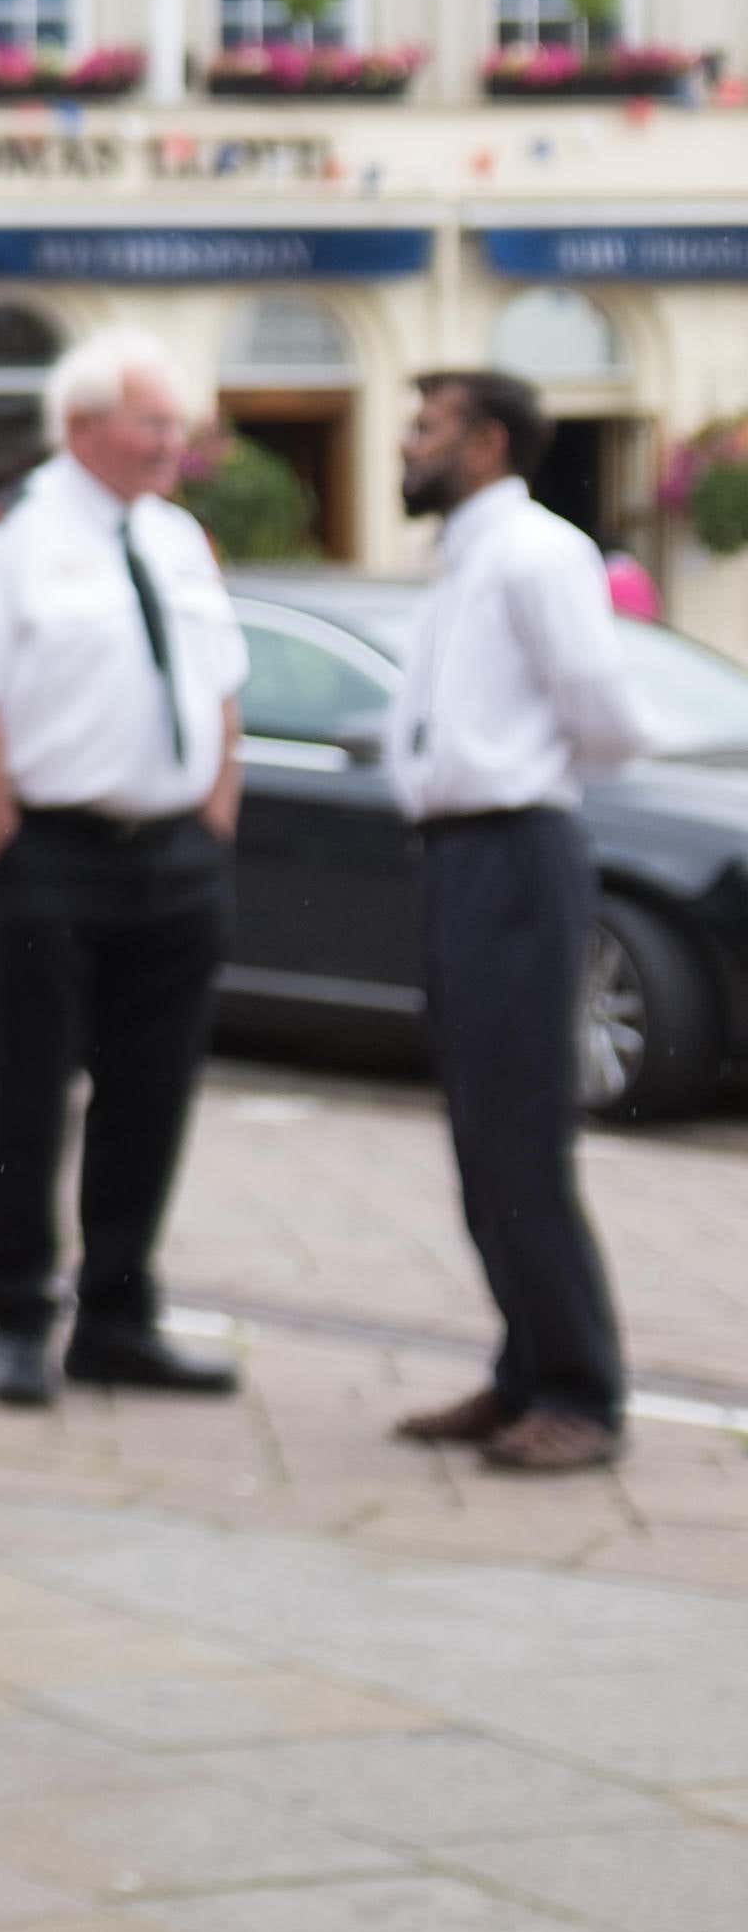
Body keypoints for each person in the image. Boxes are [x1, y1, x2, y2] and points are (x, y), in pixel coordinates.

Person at [0, 326, 247, 1409]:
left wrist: (213, 816)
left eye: (177, 424)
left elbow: (223, 688)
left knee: (152, 1094)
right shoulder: (5, 533)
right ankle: (19, 1315)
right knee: (28, 1094)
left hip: (173, 858)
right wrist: (5, 846)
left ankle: (119, 1317)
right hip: (53, 853)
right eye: (153, 423)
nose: (173, 443)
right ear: (82, 428)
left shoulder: (178, 540)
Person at [386, 368, 650, 1473]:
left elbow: (608, 717)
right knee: (478, 1135)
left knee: (523, 1133)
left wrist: (521, 777)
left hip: (517, 851)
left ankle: (581, 1393)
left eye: (429, 427)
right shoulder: (459, 564)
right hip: (459, 859)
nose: (408, 444)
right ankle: (522, 1371)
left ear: (489, 442)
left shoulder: (541, 552)